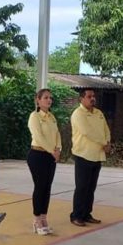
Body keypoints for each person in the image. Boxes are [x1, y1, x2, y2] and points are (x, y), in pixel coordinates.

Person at [69, 88, 111, 227]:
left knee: (91, 188)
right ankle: (76, 215)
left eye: (93, 96)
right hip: (83, 154)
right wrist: (104, 143)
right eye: (89, 96)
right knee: (81, 187)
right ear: (82, 99)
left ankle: (86, 214)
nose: (92, 98)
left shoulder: (98, 113)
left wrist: (108, 142)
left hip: (97, 155)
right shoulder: (78, 114)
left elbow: (105, 129)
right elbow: (88, 132)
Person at [27, 88, 61, 235]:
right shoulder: (34, 116)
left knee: (47, 187)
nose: (49, 100)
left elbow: (57, 134)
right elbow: (38, 136)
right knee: (40, 186)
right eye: (46, 97)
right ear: (38, 100)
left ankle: (44, 217)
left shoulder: (51, 117)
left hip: (50, 156)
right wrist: (51, 150)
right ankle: (36, 220)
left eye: (50, 98)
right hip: (37, 154)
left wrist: (58, 149)